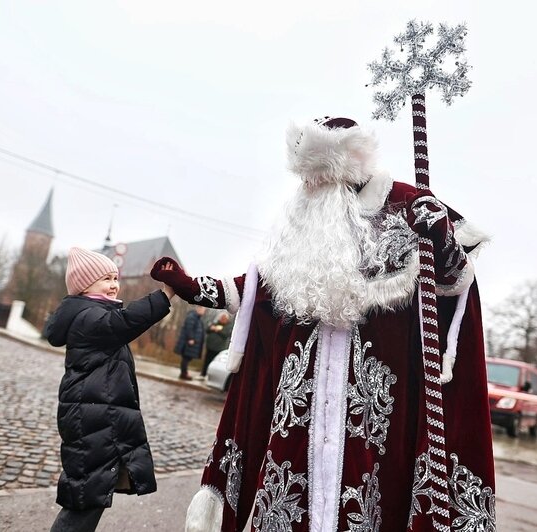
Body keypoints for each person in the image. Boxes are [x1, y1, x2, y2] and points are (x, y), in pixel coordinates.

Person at [151, 117, 495, 531]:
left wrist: (441, 241)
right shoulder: (306, 230)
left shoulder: (407, 208)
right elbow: (259, 288)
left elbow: (454, 283)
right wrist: (192, 287)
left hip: (376, 422)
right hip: (298, 420)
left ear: (341, 177)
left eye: (315, 181)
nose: (306, 191)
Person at [43, 247, 175, 532]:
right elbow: (125, 323)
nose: (114, 284)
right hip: (91, 419)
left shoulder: (92, 312)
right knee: (86, 498)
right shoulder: (89, 316)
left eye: (115, 277)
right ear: (85, 285)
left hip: (97, 415)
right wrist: (164, 296)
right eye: (105, 278)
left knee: (92, 493)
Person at [175, 305, 206, 380]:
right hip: (188, 343)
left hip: (193, 343)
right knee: (186, 358)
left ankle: (184, 373)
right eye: (202, 309)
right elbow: (189, 328)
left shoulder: (198, 318)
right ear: (198, 309)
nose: (203, 311)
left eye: (204, 310)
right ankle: (184, 374)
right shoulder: (192, 317)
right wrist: (191, 338)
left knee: (187, 358)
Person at [199, 312, 233, 379]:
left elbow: (226, 335)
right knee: (207, 361)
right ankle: (203, 374)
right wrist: (212, 328)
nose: (222, 319)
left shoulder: (228, 326)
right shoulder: (215, 323)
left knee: (215, 364)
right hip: (210, 346)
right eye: (221, 318)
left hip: (219, 348)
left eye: (224, 318)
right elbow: (207, 329)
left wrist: (218, 330)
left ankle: (211, 377)